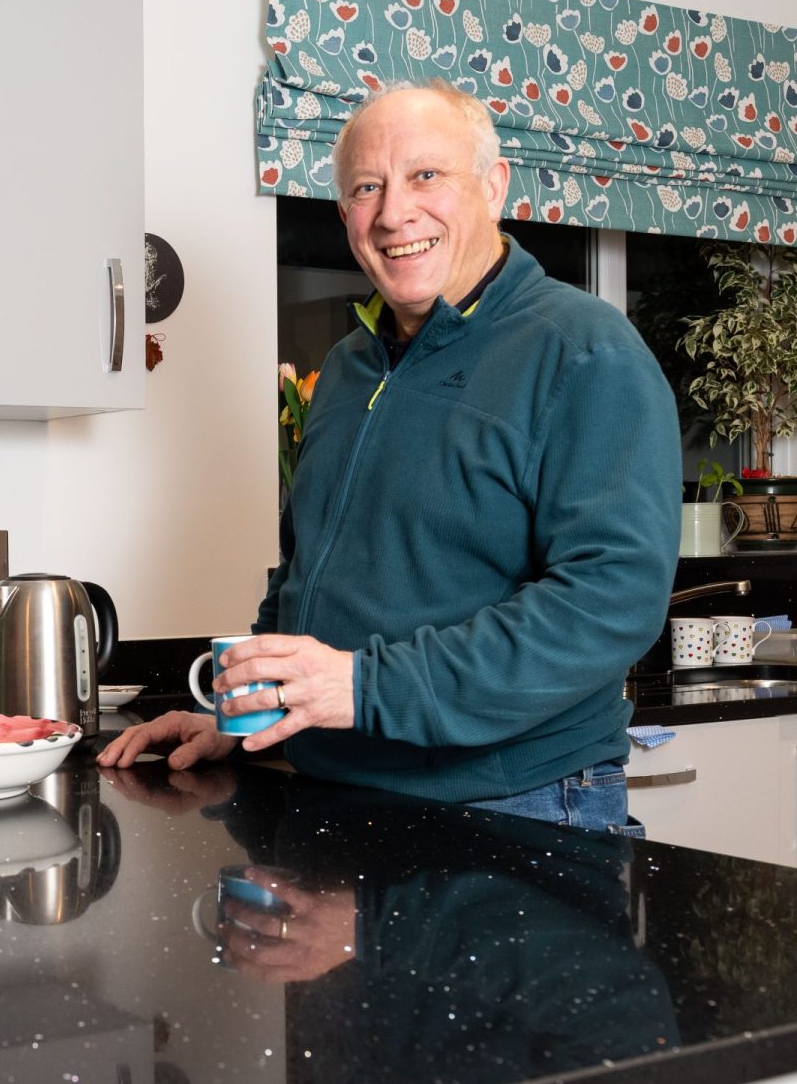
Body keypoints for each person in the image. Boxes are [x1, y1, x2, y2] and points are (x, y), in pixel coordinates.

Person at [101, 80, 680, 832]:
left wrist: (366, 685)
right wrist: (243, 717)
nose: (395, 211)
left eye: (426, 175)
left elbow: (610, 600)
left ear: (495, 184)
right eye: (366, 188)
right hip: (338, 790)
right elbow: (307, 567)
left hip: (517, 804)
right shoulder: (347, 366)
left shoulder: (585, 351)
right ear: (345, 216)